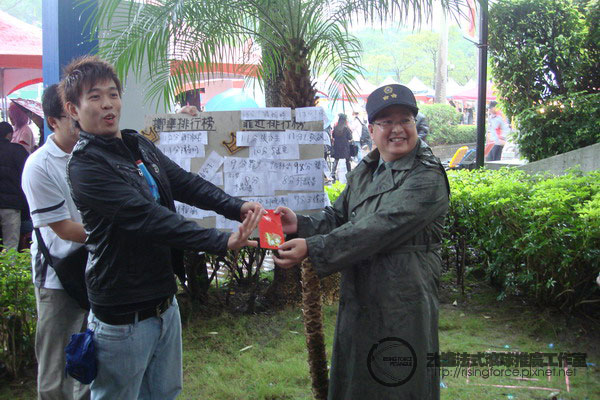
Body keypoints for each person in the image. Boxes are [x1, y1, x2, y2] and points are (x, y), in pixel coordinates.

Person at [61, 55, 263, 399]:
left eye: (113, 94)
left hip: (163, 301)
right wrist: (219, 239)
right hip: (123, 311)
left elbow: (185, 183)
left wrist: (237, 206)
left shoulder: (136, 144)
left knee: (164, 392)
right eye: (95, 97)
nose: (108, 104)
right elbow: (146, 217)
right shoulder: (86, 166)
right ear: (73, 109)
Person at [273, 84, 450, 399]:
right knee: (358, 375)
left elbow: (378, 227)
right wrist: (299, 224)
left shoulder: (427, 176)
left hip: (403, 298)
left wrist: (314, 247)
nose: (397, 129)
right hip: (361, 294)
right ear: (371, 129)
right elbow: (338, 217)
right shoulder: (366, 171)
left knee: (398, 378)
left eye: (405, 120)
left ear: (415, 125)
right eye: (386, 122)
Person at [21, 84, 90, 400]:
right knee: (55, 368)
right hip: (58, 277)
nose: (81, 122)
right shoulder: (40, 165)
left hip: (95, 270)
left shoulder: (91, 154)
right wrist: (114, 235)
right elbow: (63, 228)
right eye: (72, 118)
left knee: (91, 360)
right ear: (53, 121)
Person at [0, 121, 28, 250]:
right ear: (9, 135)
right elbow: (27, 176)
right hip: (11, 205)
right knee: (10, 244)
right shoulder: (17, 151)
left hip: (10, 202)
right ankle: (10, 270)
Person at [331, 113, 353, 181]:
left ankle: (333, 173)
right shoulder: (346, 128)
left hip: (337, 147)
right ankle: (349, 172)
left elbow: (333, 136)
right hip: (345, 147)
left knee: (336, 160)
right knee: (347, 160)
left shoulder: (335, 127)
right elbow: (350, 137)